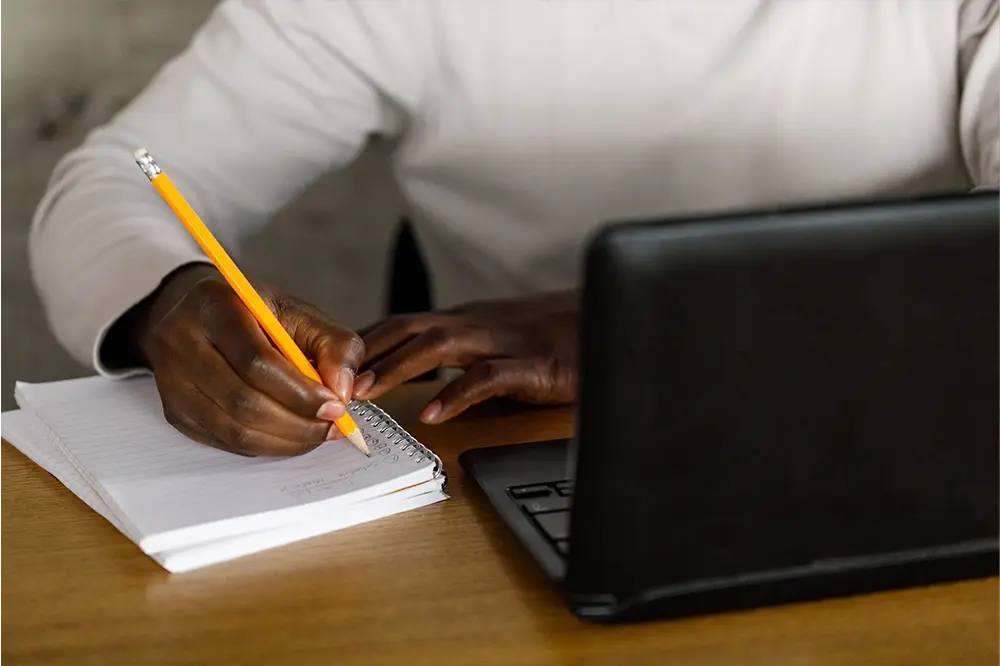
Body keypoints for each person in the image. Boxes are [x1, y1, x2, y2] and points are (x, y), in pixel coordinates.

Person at [29, 0, 999, 457]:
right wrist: (171, 299)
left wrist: (662, 332)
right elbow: (123, 179)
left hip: (905, 422)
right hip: (556, 461)